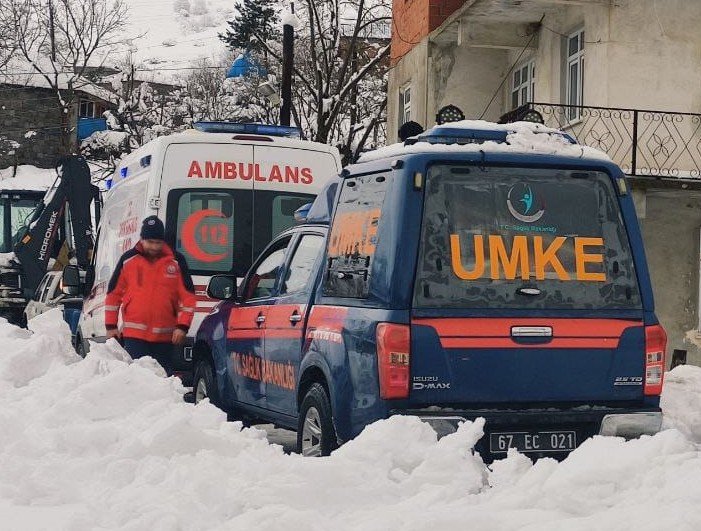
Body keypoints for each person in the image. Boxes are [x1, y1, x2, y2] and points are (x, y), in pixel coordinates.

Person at [105, 216, 197, 376]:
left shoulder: (176, 262)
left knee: (162, 380)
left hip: (165, 337)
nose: (154, 247)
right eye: (150, 242)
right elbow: (113, 295)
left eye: (158, 242)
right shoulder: (128, 260)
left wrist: (183, 326)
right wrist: (111, 326)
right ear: (142, 240)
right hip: (135, 336)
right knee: (137, 379)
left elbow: (188, 297)